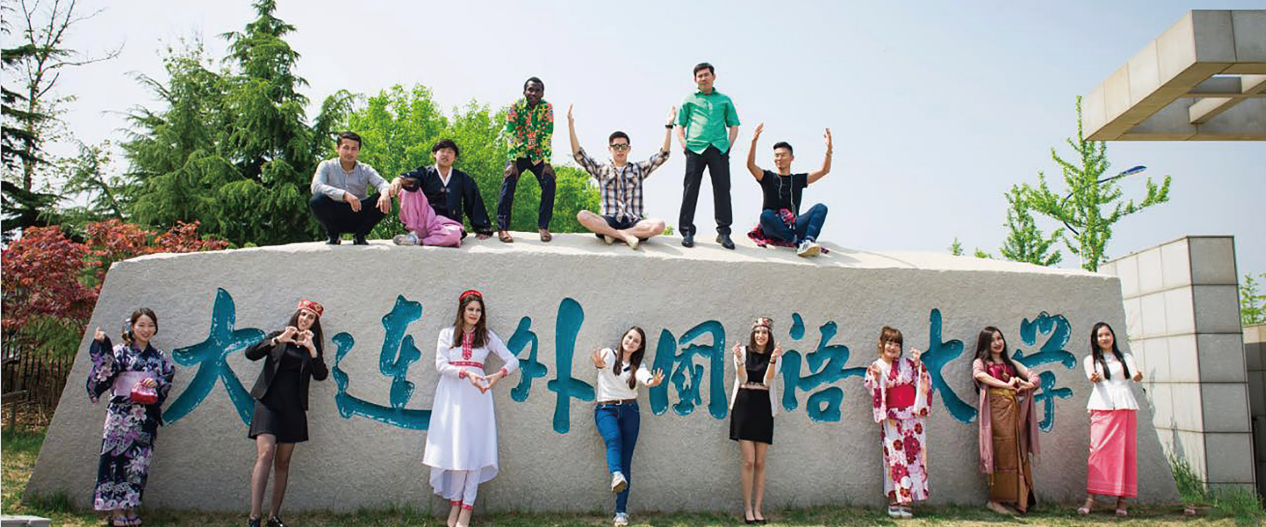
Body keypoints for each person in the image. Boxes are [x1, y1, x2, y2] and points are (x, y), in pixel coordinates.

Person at [423, 290, 520, 527]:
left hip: (479, 396)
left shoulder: (487, 336)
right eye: (470, 309)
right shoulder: (447, 334)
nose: (474, 313)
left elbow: (513, 361)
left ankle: (467, 508)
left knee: (475, 451)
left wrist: (498, 375)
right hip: (452, 395)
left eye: (478, 310)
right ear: (462, 311)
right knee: (457, 449)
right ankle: (455, 504)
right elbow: (440, 365)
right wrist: (465, 373)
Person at [243, 299, 330, 527]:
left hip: (294, 407)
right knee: (265, 454)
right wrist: (277, 340)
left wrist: (312, 350)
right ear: (297, 315)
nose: (305, 319)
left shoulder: (312, 346)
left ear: (315, 323)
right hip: (268, 403)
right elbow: (250, 353)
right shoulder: (279, 336)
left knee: (283, 461)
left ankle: (273, 517)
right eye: (303, 314)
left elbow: (321, 375)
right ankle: (254, 517)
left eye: (310, 317)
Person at [86, 308, 175, 527]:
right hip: (121, 415)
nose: (146, 330)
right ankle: (116, 510)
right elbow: (106, 369)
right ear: (132, 327)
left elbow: (167, 376)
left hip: (144, 416)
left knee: (138, 462)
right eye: (141, 325)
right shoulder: (120, 352)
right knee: (115, 461)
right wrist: (103, 343)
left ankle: (131, 507)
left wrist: (157, 382)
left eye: (150, 325)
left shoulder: (159, 357)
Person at [588, 327, 665, 526]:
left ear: (640, 346)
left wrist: (651, 381)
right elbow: (600, 364)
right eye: (629, 337)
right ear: (623, 338)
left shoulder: (638, 366)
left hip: (631, 411)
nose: (631, 342)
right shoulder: (608, 354)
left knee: (626, 461)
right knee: (613, 439)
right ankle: (616, 474)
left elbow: (644, 376)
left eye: (636, 341)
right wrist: (598, 364)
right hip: (606, 409)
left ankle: (621, 512)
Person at [568, 104, 674, 249]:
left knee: (659, 225)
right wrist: (571, 125)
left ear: (628, 149)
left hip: (634, 221)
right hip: (609, 220)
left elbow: (663, 156)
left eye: (623, 146)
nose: (620, 150)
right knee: (582, 215)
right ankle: (624, 236)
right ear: (610, 149)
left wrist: (669, 126)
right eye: (616, 146)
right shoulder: (601, 169)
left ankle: (616, 234)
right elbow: (579, 156)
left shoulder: (638, 169)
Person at [863, 326, 933, 519]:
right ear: (881, 344)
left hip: (912, 418)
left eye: (897, 344)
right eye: (889, 342)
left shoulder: (908, 364)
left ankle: (908, 500)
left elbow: (924, 382)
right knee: (894, 458)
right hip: (892, 418)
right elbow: (871, 387)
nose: (893, 347)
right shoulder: (876, 366)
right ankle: (895, 499)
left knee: (913, 457)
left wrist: (918, 366)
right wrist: (876, 378)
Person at [971, 326, 1039, 515]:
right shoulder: (981, 362)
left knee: (1016, 453)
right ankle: (995, 500)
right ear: (985, 343)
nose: (997, 343)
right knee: (999, 453)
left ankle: (1018, 499)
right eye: (992, 340)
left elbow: (1034, 377)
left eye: (999, 338)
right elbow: (979, 375)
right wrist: (1006, 385)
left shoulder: (1012, 363)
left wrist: (1027, 384)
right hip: (995, 416)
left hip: (1013, 414)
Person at [1078, 322, 1143, 517]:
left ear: (1113, 336)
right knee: (1098, 451)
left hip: (1124, 406)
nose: (1104, 338)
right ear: (1095, 340)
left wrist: (1138, 376)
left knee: (1125, 453)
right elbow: (1091, 377)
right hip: (1102, 406)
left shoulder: (1125, 357)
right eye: (1100, 335)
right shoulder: (1090, 360)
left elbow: (1135, 374)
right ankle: (1091, 498)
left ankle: (1122, 501)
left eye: (1107, 334)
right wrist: (1094, 378)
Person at [676, 62, 741, 250]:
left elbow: (734, 124)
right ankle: (687, 231)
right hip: (695, 149)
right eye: (699, 76)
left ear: (714, 76)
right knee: (690, 189)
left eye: (706, 75)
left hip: (718, 149)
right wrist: (684, 143)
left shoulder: (724, 100)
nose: (703, 78)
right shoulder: (689, 99)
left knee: (722, 189)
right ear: (695, 79)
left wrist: (728, 146)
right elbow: (680, 124)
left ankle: (724, 232)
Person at [744, 124, 833, 257]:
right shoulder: (767, 177)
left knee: (821, 208)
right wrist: (753, 142)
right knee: (766, 215)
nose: (779, 158)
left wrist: (829, 150)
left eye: (783, 155)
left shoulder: (798, 180)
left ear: (792, 158)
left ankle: (808, 241)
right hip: (773, 227)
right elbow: (750, 165)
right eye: (777, 155)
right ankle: (799, 243)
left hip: (794, 225)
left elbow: (824, 170)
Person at [728, 318, 783, 524]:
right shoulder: (742, 351)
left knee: (760, 462)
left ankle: (758, 509)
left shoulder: (776, 355)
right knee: (749, 461)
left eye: (765, 332)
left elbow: (768, 380)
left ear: (769, 336)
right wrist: (738, 360)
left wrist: (773, 360)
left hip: (764, 406)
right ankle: (748, 509)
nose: (761, 336)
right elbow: (742, 379)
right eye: (758, 332)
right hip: (744, 405)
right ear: (753, 334)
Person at [389, 139, 494, 247]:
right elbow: (406, 177)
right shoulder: (425, 172)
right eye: (442, 151)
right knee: (408, 187)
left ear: (455, 157)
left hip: (447, 225)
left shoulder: (462, 178)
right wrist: (398, 180)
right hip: (424, 221)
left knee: (454, 236)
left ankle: (418, 241)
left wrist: (482, 228)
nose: (445, 155)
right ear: (434, 154)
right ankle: (413, 233)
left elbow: (473, 201)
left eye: (450, 152)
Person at [496, 77, 556, 243]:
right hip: (518, 154)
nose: (533, 93)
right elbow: (511, 134)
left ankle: (543, 227)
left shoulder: (547, 108)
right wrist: (512, 163)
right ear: (524, 92)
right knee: (508, 181)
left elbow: (547, 135)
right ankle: (502, 228)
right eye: (530, 89)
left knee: (549, 181)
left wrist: (547, 163)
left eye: (537, 90)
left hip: (537, 154)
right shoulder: (515, 107)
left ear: (542, 93)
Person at [309, 131, 392, 245]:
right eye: (346, 147)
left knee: (386, 198)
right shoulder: (326, 166)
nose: (349, 152)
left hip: (358, 213)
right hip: (335, 214)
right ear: (337, 148)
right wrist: (344, 195)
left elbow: (383, 183)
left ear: (358, 151)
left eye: (354, 149)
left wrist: (385, 194)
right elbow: (316, 186)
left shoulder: (366, 169)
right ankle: (333, 236)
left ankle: (360, 236)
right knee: (317, 200)